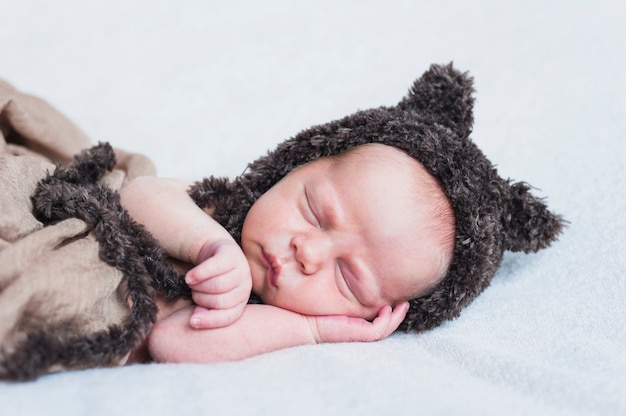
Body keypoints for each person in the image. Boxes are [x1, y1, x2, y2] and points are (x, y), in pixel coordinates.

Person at [120, 143, 456, 363]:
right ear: (291, 169)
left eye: (346, 278)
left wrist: (311, 330)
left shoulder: (268, 319)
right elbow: (135, 194)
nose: (307, 252)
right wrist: (208, 243)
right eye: (314, 213)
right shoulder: (222, 203)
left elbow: (169, 342)